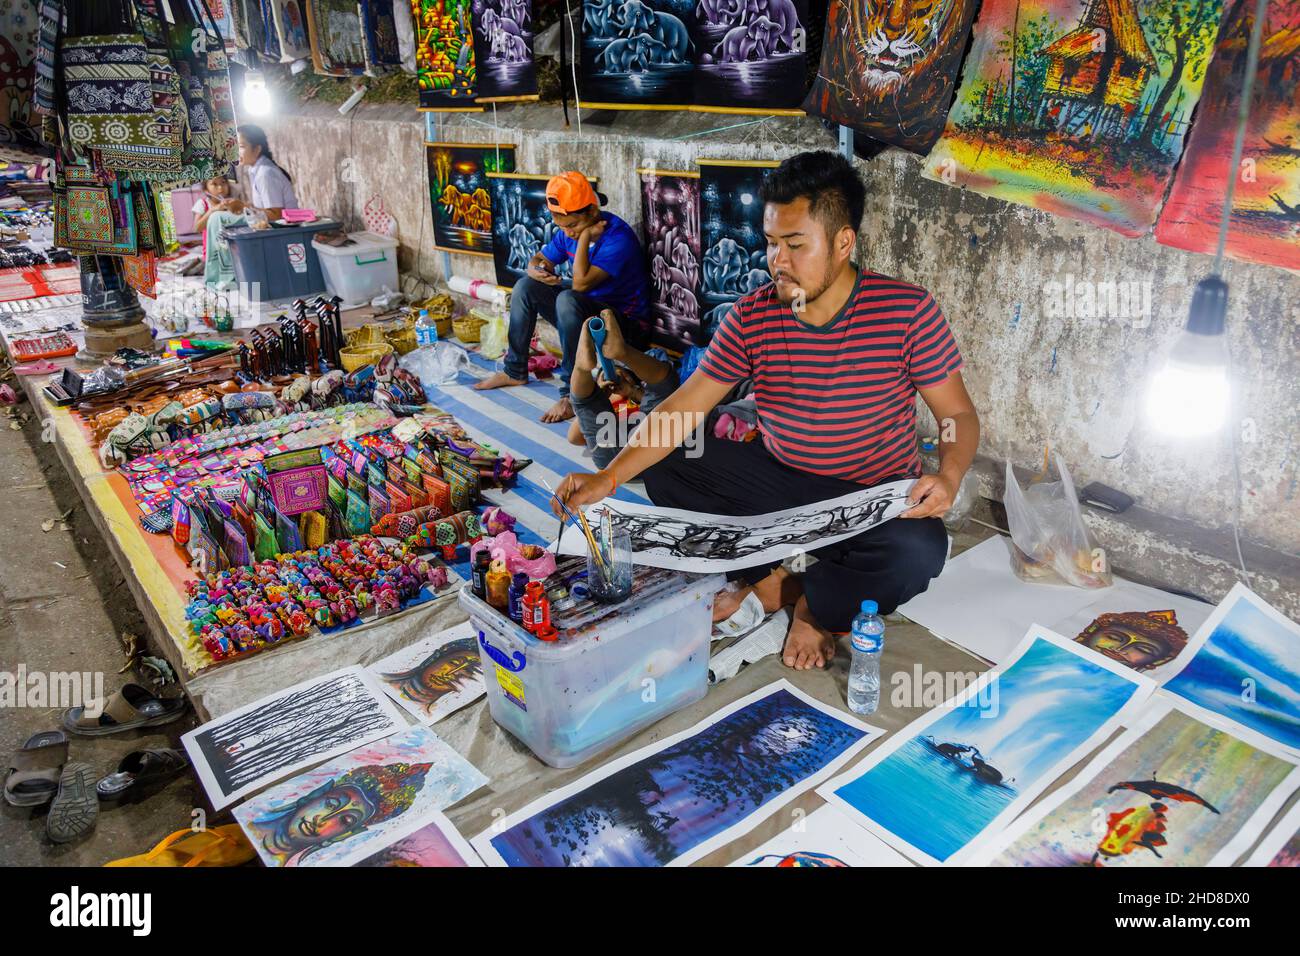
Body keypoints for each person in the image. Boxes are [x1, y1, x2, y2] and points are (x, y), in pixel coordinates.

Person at [554, 150, 980, 671]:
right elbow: (686, 404)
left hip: (870, 495)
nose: (777, 260)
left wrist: (950, 475)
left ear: (844, 242)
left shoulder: (906, 311)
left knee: (919, 550)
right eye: (772, 243)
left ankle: (817, 608)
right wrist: (611, 478)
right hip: (778, 481)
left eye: (796, 245)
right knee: (665, 456)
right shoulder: (754, 314)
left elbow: (957, 413)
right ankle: (771, 579)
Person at [474, 171, 650, 424]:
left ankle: (572, 394)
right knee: (525, 286)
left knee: (567, 298)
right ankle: (515, 370)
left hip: (624, 327)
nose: (567, 233)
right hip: (587, 314)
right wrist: (537, 269)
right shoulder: (570, 230)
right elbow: (539, 259)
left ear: (591, 212)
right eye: (562, 227)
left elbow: (579, 284)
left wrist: (586, 236)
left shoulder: (618, 239)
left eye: (572, 226)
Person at [566, 309, 678, 469]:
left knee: (585, 404)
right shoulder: (607, 404)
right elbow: (574, 437)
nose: (614, 381)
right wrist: (599, 399)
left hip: (616, 462)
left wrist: (633, 392)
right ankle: (616, 355)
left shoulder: (639, 394)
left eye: (623, 374)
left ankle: (584, 367)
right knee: (665, 384)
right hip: (632, 456)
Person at [236, 124, 298, 221]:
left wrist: (242, 207)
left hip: (285, 232)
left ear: (257, 149)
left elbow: (276, 215)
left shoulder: (265, 174)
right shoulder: (255, 170)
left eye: (241, 146)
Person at [191, 174, 244, 261]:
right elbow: (197, 228)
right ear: (205, 189)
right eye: (214, 184)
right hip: (213, 253)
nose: (220, 187)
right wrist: (212, 210)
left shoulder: (233, 203)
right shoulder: (203, 204)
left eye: (223, 182)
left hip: (232, 252)